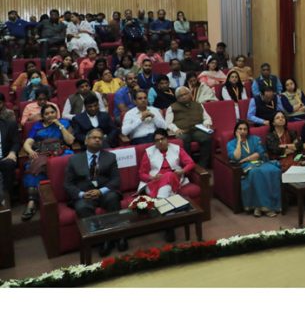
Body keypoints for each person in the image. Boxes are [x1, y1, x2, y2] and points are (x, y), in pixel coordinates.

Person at [64, 128, 125, 256]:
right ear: (86, 141)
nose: (97, 140)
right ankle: (101, 239)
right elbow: (68, 184)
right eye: (94, 137)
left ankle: (118, 236)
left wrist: (101, 191)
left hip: (104, 192)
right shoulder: (74, 159)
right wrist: (81, 194)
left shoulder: (110, 157)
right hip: (84, 194)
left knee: (112, 198)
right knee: (82, 207)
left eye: (100, 138)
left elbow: (116, 180)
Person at [138, 128, 196, 242]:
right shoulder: (148, 152)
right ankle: (169, 226)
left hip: (174, 178)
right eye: (157, 140)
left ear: (167, 139)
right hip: (155, 183)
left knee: (169, 175)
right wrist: (152, 177)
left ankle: (160, 203)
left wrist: (182, 171)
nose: (160, 142)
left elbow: (190, 163)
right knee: (168, 177)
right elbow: (141, 173)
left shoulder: (177, 149)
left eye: (162, 139)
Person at [21, 103, 74, 221]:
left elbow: (70, 141)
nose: (50, 115)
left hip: (61, 151)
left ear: (56, 113)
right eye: (46, 114)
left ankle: (70, 196)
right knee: (32, 165)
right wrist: (30, 151)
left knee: (71, 161)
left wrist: (59, 125)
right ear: (43, 116)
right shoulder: (37, 126)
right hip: (43, 153)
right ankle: (32, 202)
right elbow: (27, 142)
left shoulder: (64, 123)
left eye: (52, 112)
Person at [227, 119, 282, 217]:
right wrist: (239, 141)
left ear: (248, 131)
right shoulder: (231, 144)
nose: (243, 131)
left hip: (260, 162)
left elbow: (259, 153)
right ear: (236, 131)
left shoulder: (255, 139)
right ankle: (265, 207)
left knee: (274, 170)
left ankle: (266, 206)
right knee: (256, 173)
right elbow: (236, 157)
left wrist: (245, 159)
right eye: (240, 129)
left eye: (245, 129)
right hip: (246, 167)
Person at [165, 86, 213, 168]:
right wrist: (175, 129)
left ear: (190, 94)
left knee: (206, 138)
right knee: (183, 140)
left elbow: (207, 118)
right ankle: (188, 165)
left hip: (197, 130)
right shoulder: (172, 107)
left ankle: (202, 165)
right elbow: (168, 123)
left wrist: (206, 123)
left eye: (185, 94)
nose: (183, 97)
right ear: (177, 98)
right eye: (180, 96)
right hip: (182, 131)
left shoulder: (198, 105)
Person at [0, 108, 20, 206]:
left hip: (4, 158)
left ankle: (6, 200)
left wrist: (12, 153)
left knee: (8, 163)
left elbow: (16, 142)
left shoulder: (9, 124)